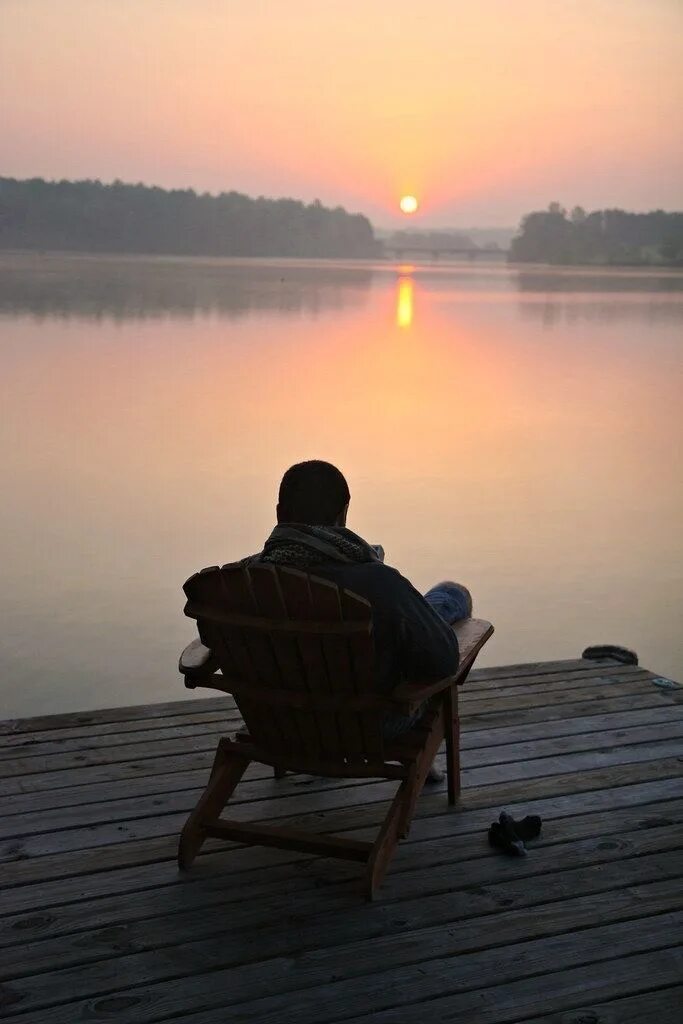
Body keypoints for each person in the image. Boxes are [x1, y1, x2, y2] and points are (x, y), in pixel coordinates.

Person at [244, 460, 473, 751]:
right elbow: (442, 661)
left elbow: (216, 644)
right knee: (452, 596)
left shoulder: (245, 579)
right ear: (344, 514)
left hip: (275, 721)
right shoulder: (376, 581)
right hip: (368, 725)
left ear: (279, 514)